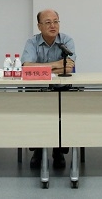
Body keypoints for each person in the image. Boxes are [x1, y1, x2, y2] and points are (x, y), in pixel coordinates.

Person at [21, 9, 76, 169]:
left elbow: (68, 68)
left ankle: (58, 151)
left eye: (56, 21)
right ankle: (38, 150)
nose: (53, 25)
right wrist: (55, 65)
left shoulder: (67, 40)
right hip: (37, 92)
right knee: (38, 114)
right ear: (39, 26)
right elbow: (26, 67)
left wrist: (41, 68)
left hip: (62, 90)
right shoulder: (32, 42)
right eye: (48, 22)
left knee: (63, 112)